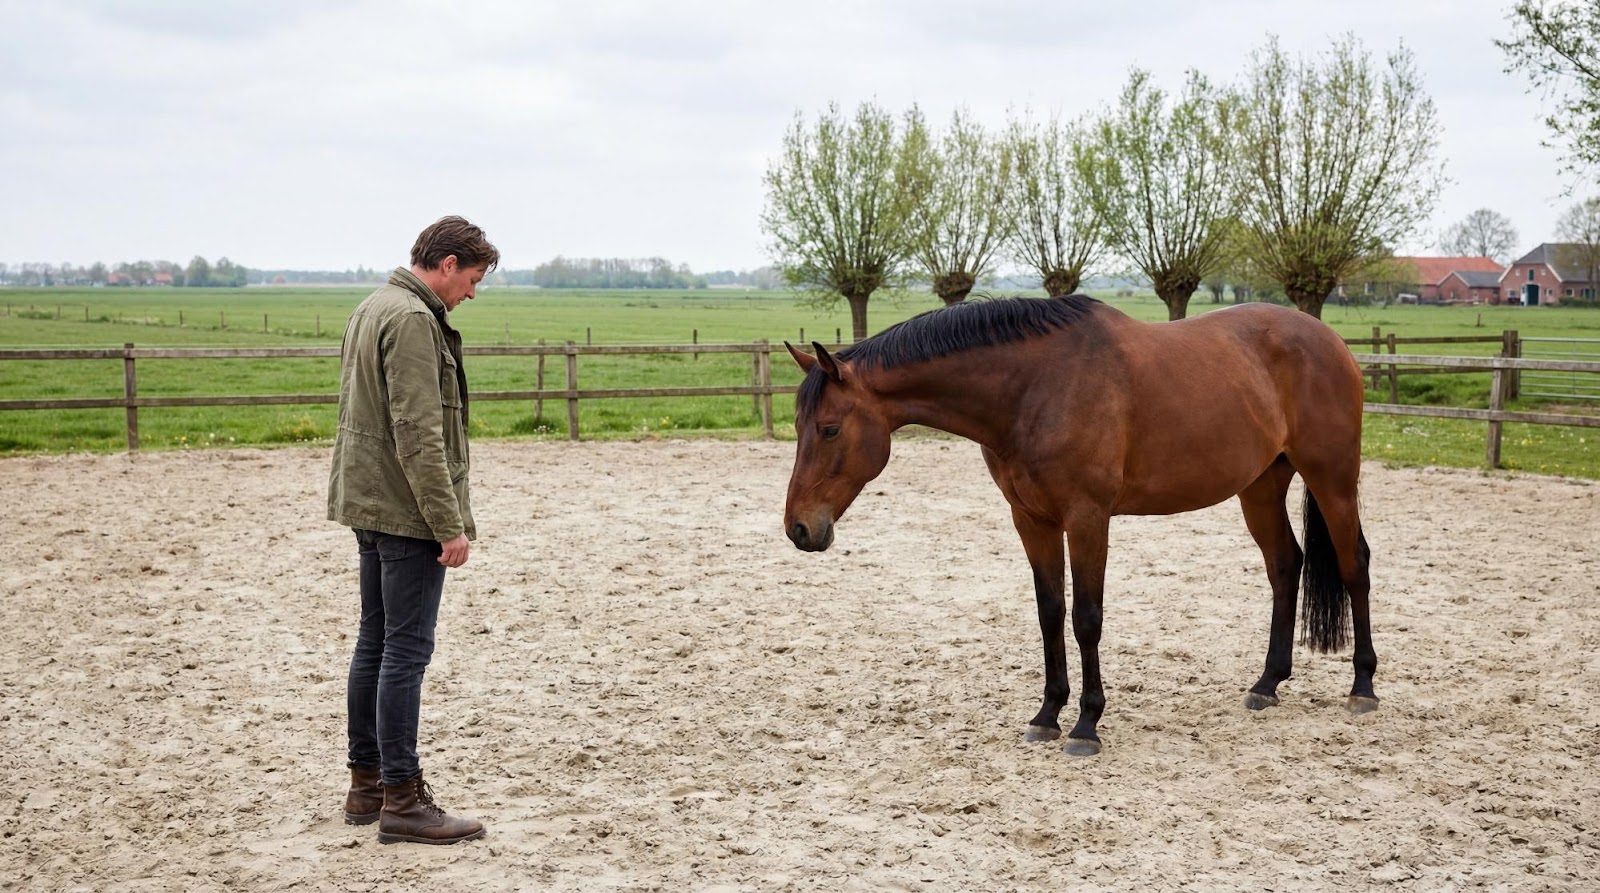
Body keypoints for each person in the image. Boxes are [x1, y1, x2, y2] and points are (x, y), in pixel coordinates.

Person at [327, 215, 498, 845]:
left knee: (375, 642)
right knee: (405, 650)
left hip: (370, 500)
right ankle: (402, 798)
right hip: (405, 509)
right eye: (473, 279)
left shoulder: (375, 305)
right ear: (448, 263)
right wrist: (447, 525)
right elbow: (419, 433)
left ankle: (366, 786)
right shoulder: (413, 320)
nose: (473, 294)